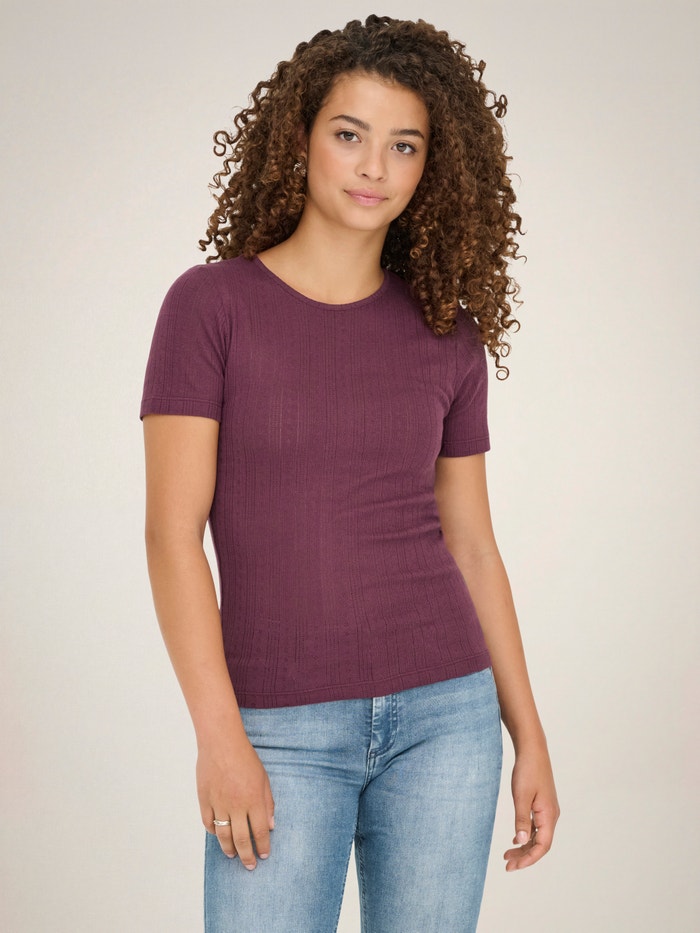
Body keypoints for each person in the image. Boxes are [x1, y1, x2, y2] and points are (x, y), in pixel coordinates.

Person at [141, 15, 559, 933]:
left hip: (447, 717)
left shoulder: (448, 332)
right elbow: (172, 538)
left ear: (430, 167)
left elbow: (473, 546)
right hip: (277, 729)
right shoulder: (210, 307)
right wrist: (220, 737)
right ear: (300, 139)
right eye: (349, 134)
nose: (374, 167)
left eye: (404, 145)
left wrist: (527, 735)